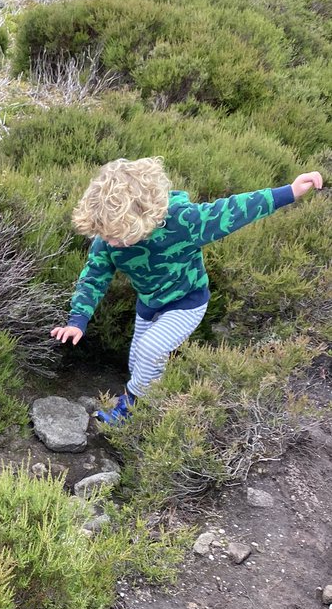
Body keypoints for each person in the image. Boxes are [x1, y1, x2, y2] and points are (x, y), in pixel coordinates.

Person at [50, 157, 324, 423]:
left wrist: (289, 192)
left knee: (150, 350)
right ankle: (158, 401)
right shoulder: (106, 241)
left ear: (143, 217)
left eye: (116, 234)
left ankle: (133, 412)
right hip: (149, 305)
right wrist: (78, 320)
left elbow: (232, 210)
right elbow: (93, 277)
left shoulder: (183, 221)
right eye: (104, 234)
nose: (110, 241)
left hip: (187, 302)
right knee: (138, 363)